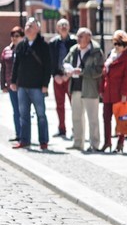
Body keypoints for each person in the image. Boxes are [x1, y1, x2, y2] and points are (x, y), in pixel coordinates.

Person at [11, 18, 52, 150]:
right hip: (22, 85)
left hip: (37, 86)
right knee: (23, 115)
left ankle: (43, 141)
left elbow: (48, 66)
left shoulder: (43, 46)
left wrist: (45, 84)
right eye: (27, 25)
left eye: (31, 26)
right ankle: (25, 140)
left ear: (37, 29)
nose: (28, 27)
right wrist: (13, 81)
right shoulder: (21, 45)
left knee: (41, 115)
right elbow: (16, 65)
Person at [63, 28, 103, 152]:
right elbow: (65, 61)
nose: (78, 39)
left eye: (81, 37)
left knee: (92, 118)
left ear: (88, 38)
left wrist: (83, 72)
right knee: (76, 116)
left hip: (90, 88)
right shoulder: (74, 50)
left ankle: (94, 144)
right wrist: (67, 69)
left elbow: (99, 70)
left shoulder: (96, 51)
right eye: (78, 36)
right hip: (75, 86)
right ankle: (77, 142)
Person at [100, 30, 127, 154]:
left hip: (120, 93)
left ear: (126, 46)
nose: (116, 46)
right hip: (108, 92)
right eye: (115, 43)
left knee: (121, 118)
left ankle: (120, 143)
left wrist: (124, 94)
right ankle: (107, 142)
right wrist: (101, 89)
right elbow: (104, 74)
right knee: (106, 117)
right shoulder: (111, 56)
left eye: (119, 44)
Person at [49, 18, 77, 138]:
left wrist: (68, 75)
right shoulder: (53, 43)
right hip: (58, 77)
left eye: (66, 25)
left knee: (74, 104)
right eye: (61, 25)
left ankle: (76, 129)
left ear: (69, 27)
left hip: (71, 78)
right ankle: (61, 129)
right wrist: (55, 75)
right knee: (59, 105)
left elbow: (77, 59)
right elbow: (49, 61)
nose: (64, 27)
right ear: (57, 28)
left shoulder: (74, 41)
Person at [1, 26, 24, 142]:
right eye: (12, 36)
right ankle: (18, 133)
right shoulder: (7, 50)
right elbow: (3, 68)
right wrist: (3, 85)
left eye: (17, 36)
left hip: (24, 85)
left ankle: (25, 134)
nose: (14, 38)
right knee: (16, 110)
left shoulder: (24, 49)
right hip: (11, 85)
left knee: (23, 110)